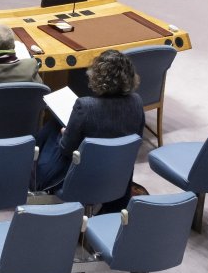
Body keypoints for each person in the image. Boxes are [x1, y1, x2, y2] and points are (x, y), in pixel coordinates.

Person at [33, 49, 143, 203]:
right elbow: (136, 140)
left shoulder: (85, 106)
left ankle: (31, 173)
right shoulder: (137, 102)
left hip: (81, 177)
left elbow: (66, 149)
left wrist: (65, 133)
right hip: (117, 176)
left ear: (98, 77)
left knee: (52, 127)